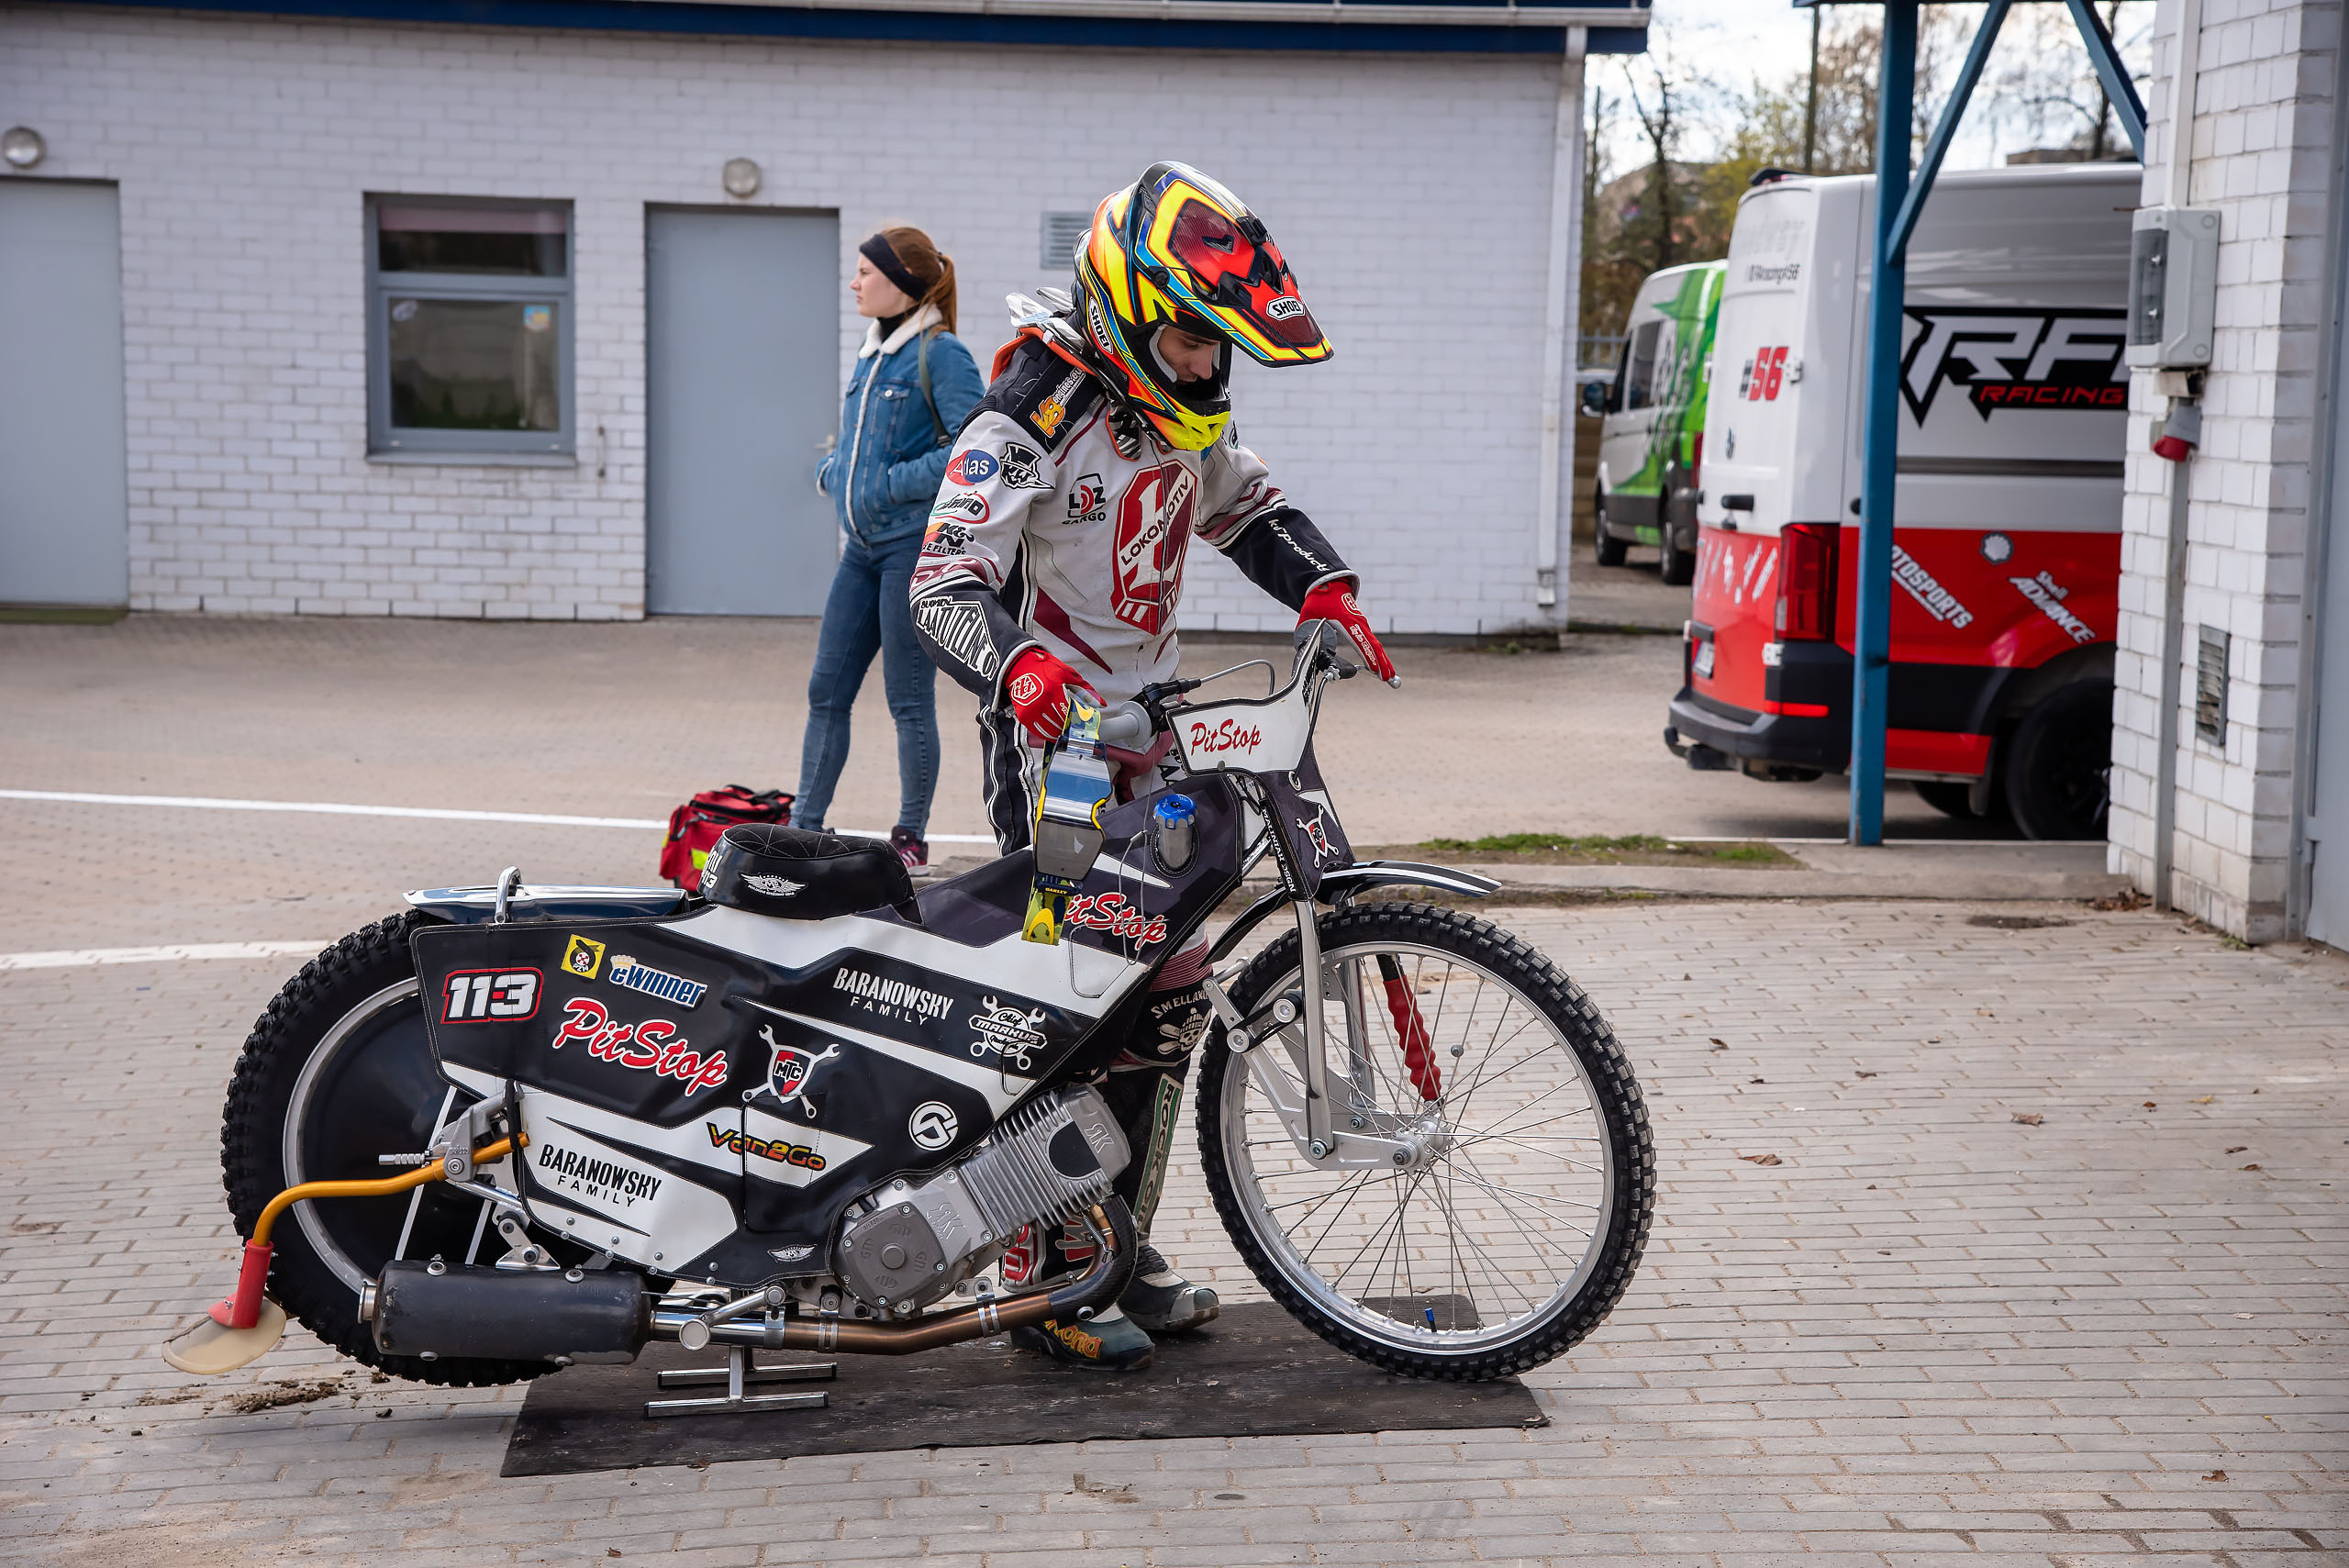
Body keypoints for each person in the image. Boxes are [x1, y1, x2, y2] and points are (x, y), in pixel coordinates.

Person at [908, 161, 1397, 1370]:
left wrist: (1323, 584)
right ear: (1130, 311)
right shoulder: (1028, 404)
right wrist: (1022, 672)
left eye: (1215, 347)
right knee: (1070, 995)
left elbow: (1238, 503)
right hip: (1052, 748)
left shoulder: (1186, 405)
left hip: (1156, 733)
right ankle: (1037, 1257)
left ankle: (1115, 1238)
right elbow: (940, 585)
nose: (1204, 365)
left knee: (1170, 993)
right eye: (1186, 339)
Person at [804, 227, 984, 874]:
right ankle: (803, 828)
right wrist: (836, 470)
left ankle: (910, 837)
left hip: (909, 547)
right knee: (826, 690)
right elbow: (860, 442)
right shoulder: (872, 351)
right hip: (860, 549)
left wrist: (885, 485)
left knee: (908, 699)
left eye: (864, 272)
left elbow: (972, 453)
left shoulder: (943, 354)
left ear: (901, 282)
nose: (854, 283)